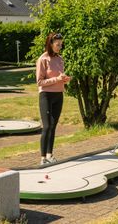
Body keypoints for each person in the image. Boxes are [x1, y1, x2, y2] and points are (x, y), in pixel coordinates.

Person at [36, 32, 71, 165]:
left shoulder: (60, 59)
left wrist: (65, 79)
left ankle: (50, 155)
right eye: (57, 44)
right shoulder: (42, 59)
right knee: (47, 126)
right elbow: (39, 82)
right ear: (50, 44)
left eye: (61, 44)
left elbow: (59, 77)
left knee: (54, 126)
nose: (60, 46)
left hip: (58, 95)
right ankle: (43, 158)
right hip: (46, 95)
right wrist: (57, 79)